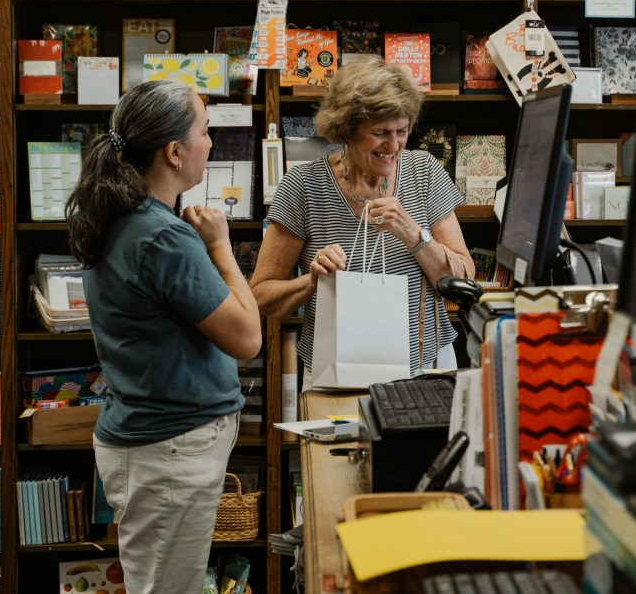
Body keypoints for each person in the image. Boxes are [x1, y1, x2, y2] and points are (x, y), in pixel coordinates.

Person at [65, 80, 261, 594]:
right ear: (174, 152)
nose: (211, 143)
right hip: (168, 453)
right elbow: (247, 338)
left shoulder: (123, 214)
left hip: (156, 446)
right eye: (204, 131)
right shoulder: (164, 235)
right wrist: (220, 246)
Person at [251, 55, 475, 383]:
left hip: (426, 365)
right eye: (380, 133)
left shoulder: (424, 172)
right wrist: (312, 281)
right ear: (346, 130)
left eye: (402, 131)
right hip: (334, 370)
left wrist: (413, 234)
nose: (394, 145)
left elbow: (465, 281)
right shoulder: (303, 184)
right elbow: (262, 298)